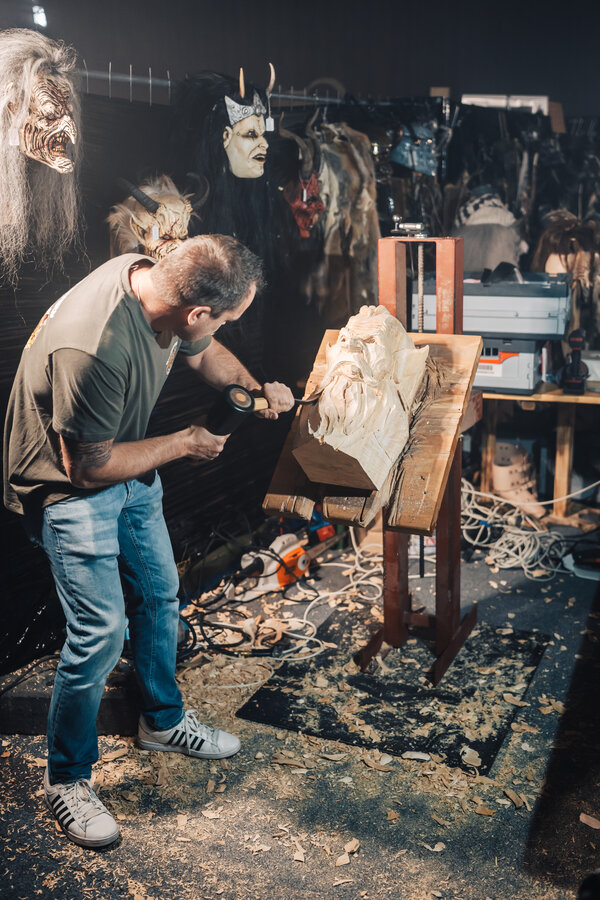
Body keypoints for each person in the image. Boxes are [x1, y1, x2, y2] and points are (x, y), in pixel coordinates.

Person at [3, 234, 294, 849]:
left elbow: (203, 350)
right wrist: (185, 443)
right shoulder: (95, 347)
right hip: (70, 486)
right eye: (226, 317)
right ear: (195, 308)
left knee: (162, 595)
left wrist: (252, 388)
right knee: (101, 632)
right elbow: (87, 469)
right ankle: (67, 779)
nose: (222, 329)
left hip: (129, 467)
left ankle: (161, 722)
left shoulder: (152, 277)